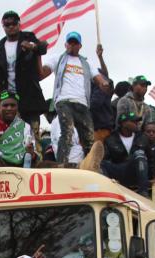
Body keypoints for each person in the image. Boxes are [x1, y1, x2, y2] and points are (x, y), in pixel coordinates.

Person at [43, 32, 106, 166]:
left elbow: (99, 78)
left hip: (82, 103)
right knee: (67, 132)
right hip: (64, 100)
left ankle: (91, 165)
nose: (72, 45)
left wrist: (103, 83)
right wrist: (37, 55)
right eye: (69, 42)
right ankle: (62, 165)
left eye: (75, 43)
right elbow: (44, 71)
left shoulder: (86, 63)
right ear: (65, 44)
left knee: (88, 136)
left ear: (80, 46)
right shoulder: (58, 58)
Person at [0, 10, 49, 129]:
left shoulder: (28, 37)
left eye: (14, 23)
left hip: (29, 96)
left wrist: (32, 47)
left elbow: (43, 48)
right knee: (11, 137)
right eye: (7, 25)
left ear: (19, 24)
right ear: (3, 27)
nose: (11, 27)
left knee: (33, 136)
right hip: (8, 99)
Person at [102, 112, 150, 196]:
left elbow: (150, 158)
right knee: (102, 163)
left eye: (137, 121)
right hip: (118, 170)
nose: (137, 124)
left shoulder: (142, 137)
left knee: (140, 154)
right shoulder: (110, 139)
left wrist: (153, 177)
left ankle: (143, 192)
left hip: (134, 172)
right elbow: (107, 159)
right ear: (123, 123)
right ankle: (108, 190)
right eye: (133, 121)